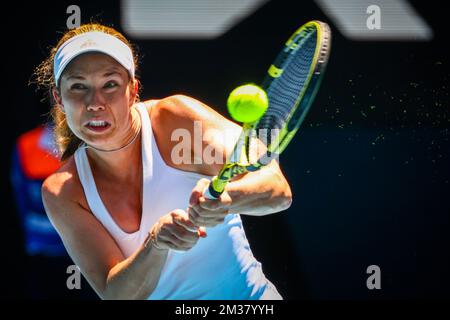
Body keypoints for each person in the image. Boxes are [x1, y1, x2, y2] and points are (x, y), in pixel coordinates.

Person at [37, 23, 292, 300]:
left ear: (133, 91)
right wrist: (155, 244)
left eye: (110, 84)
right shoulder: (63, 191)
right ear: (58, 98)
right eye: (78, 87)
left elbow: (278, 189)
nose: (94, 102)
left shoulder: (175, 122)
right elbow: (116, 295)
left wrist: (229, 197)